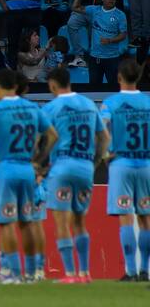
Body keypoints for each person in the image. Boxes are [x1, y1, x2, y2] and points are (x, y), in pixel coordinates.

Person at [0, 68, 57, 283]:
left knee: (6, 222)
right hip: (27, 169)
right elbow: (52, 135)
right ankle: (31, 273)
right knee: (26, 222)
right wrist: (38, 159)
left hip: (5, 168)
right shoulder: (33, 108)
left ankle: (12, 272)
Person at [42, 67, 109, 283]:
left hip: (61, 166)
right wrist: (96, 160)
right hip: (85, 167)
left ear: (53, 84)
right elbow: (104, 137)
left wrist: (39, 162)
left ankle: (70, 274)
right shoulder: (89, 104)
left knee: (62, 222)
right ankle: (85, 273)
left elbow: (42, 138)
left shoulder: (51, 107)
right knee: (80, 222)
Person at [100, 59, 150, 282]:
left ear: (119, 77)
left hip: (121, 163)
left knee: (125, 217)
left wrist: (105, 153)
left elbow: (104, 131)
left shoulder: (110, 104)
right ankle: (145, 271)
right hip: (146, 163)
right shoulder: (148, 103)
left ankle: (130, 271)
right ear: (137, 77)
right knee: (145, 218)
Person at [71, 0, 127, 84]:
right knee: (94, 89)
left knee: (113, 89)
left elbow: (123, 35)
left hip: (112, 58)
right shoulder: (94, 10)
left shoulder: (120, 15)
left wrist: (110, 40)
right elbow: (74, 7)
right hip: (95, 58)